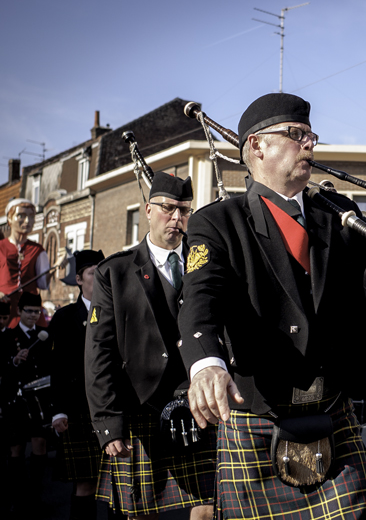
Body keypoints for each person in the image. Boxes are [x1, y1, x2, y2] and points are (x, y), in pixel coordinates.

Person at [177, 92, 366, 519]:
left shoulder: (337, 214)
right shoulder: (218, 222)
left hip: (333, 412)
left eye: (311, 136)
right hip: (260, 417)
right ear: (256, 146)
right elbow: (200, 297)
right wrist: (206, 363)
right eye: (296, 134)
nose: (309, 144)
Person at [85, 173, 215, 519]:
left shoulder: (207, 263)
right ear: (148, 210)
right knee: (142, 512)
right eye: (168, 208)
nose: (176, 218)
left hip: (200, 402)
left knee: (209, 506)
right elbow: (99, 353)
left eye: (184, 210)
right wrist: (108, 422)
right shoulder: (115, 272)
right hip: (142, 406)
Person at [50, 249, 117, 520]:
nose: (99, 277)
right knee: (86, 485)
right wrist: (58, 410)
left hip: (113, 408)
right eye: (92, 272)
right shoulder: (65, 317)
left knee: (119, 485)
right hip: (79, 411)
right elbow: (58, 368)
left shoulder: (116, 311)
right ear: (78, 279)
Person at [2, 291, 50, 516]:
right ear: (19, 311)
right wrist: (14, 360)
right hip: (16, 400)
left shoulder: (44, 335)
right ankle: (17, 497)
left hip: (39, 401)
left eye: (37, 312)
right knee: (17, 448)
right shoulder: (8, 336)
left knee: (40, 444)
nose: (33, 315)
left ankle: (35, 496)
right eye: (29, 311)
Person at [0, 198, 53, 327]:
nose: (28, 221)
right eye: (21, 216)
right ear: (9, 218)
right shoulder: (0, 247)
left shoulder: (38, 250)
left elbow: (43, 284)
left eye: (31, 216)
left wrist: (55, 268)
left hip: (30, 310)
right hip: (4, 309)